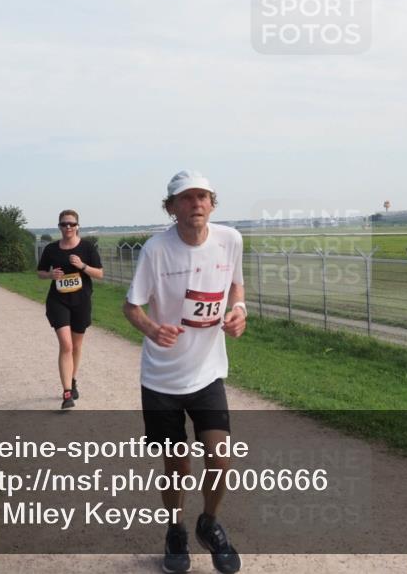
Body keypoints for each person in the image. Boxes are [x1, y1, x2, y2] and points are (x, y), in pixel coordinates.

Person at [122, 170, 247, 574]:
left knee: (220, 459)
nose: (195, 204)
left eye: (203, 197)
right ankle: (175, 529)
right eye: (186, 198)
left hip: (207, 373)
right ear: (171, 207)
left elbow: (236, 288)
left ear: (212, 203)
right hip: (161, 380)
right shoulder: (156, 250)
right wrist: (152, 329)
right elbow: (131, 307)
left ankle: (208, 524)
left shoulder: (231, 240)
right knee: (178, 466)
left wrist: (239, 313)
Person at [36, 210, 103, 409]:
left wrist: (82, 266)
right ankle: (67, 393)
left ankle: (72, 380)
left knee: (76, 346)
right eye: (64, 224)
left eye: (71, 224)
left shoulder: (87, 248)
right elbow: (40, 272)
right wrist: (50, 275)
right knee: (66, 345)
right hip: (58, 301)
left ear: (77, 226)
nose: (68, 227)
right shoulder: (51, 249)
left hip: (81, 301)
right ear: (59, 226)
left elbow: (99, 273)